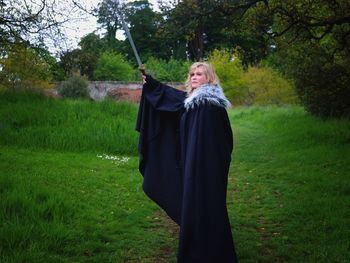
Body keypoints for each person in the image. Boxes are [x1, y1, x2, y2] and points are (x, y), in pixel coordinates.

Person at [136, 62, 238, 263]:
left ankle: (205, 252)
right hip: (194, 167)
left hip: (204, 171)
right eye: (192, 73)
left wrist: (198, 168)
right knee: (196, 208)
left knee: (204, 206)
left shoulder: (207, 105)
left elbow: (214, 144)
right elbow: (173, 100)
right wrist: (152, 84)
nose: (194, 77)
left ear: (209, 78)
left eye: (199, 74)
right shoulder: (194, 101)